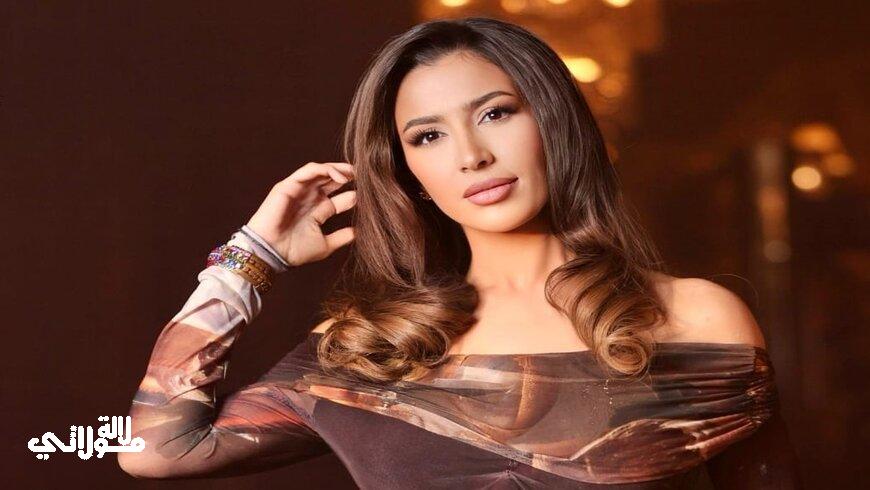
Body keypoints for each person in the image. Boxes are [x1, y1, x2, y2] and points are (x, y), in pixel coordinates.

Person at [117, 17, 803, 488]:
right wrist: (253, 256)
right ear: (408, 171)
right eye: (428, 136)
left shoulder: (695, 319)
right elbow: (153, 448)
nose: (472, 155)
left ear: (552, 121)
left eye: (495, 113)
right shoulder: (369, 350)